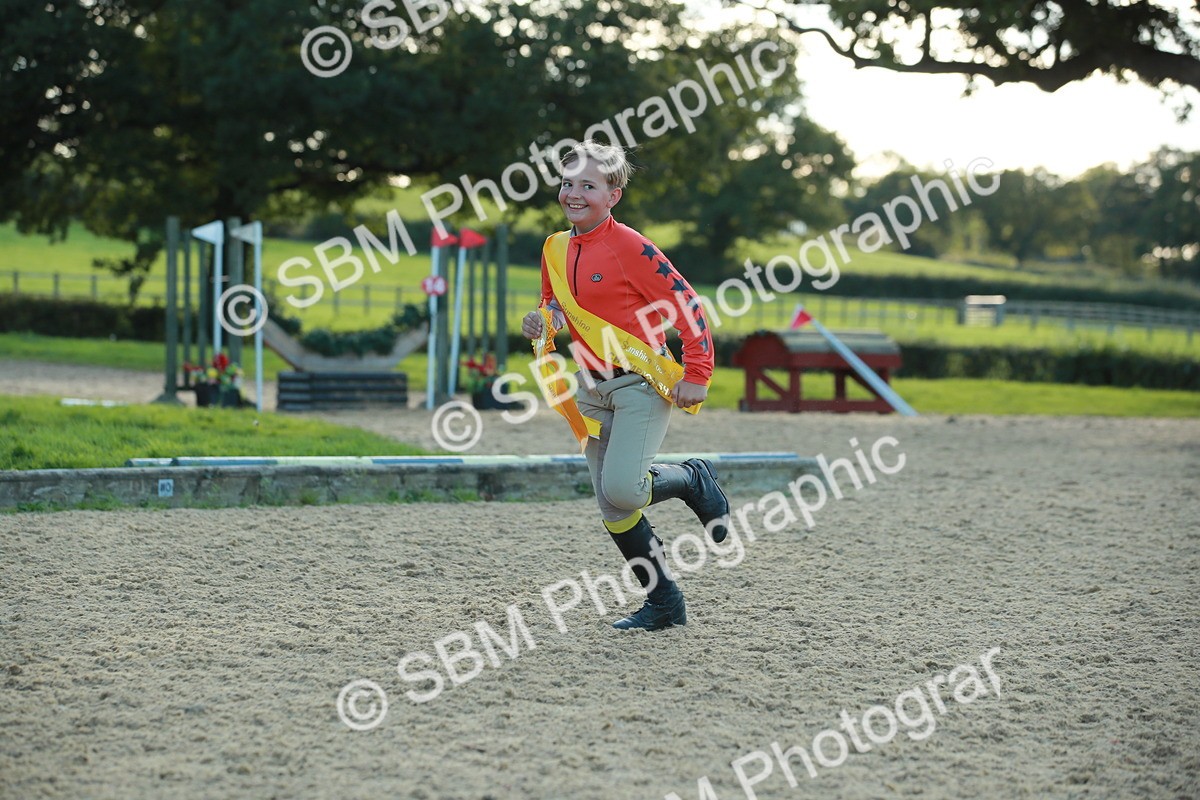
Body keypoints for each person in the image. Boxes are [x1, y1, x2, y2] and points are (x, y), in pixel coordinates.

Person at [521, 140, 730, 632]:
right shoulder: (554, 246)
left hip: (638, 385)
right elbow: (556, 306)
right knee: (613, 507)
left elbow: (688, 306)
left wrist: (697, 374)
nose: (573, 193)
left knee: (625, 489)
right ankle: (663, 604)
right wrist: (540, 321)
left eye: (588, 186)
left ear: (613, 195)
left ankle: (692, 478)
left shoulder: (632, 247)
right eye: (568, 183)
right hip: (590, 388)